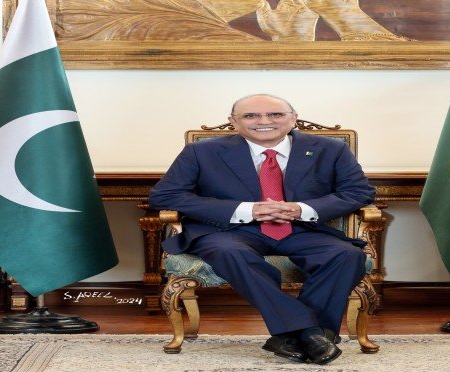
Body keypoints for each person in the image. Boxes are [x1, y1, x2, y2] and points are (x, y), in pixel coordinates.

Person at [149, 94, 376, 365]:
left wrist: (301, 209)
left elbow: (359, 192)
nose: (264, 121)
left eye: (275, 114)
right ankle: (311, 334)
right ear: (233, 122)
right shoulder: (201, 152)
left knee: (346, 255)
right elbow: (166, 196)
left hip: (302, 229)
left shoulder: (330, 149)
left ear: (293, 119)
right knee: (228, 251)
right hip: (229, 231)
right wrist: (247, 210)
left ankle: (294, 336)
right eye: (250, 115)